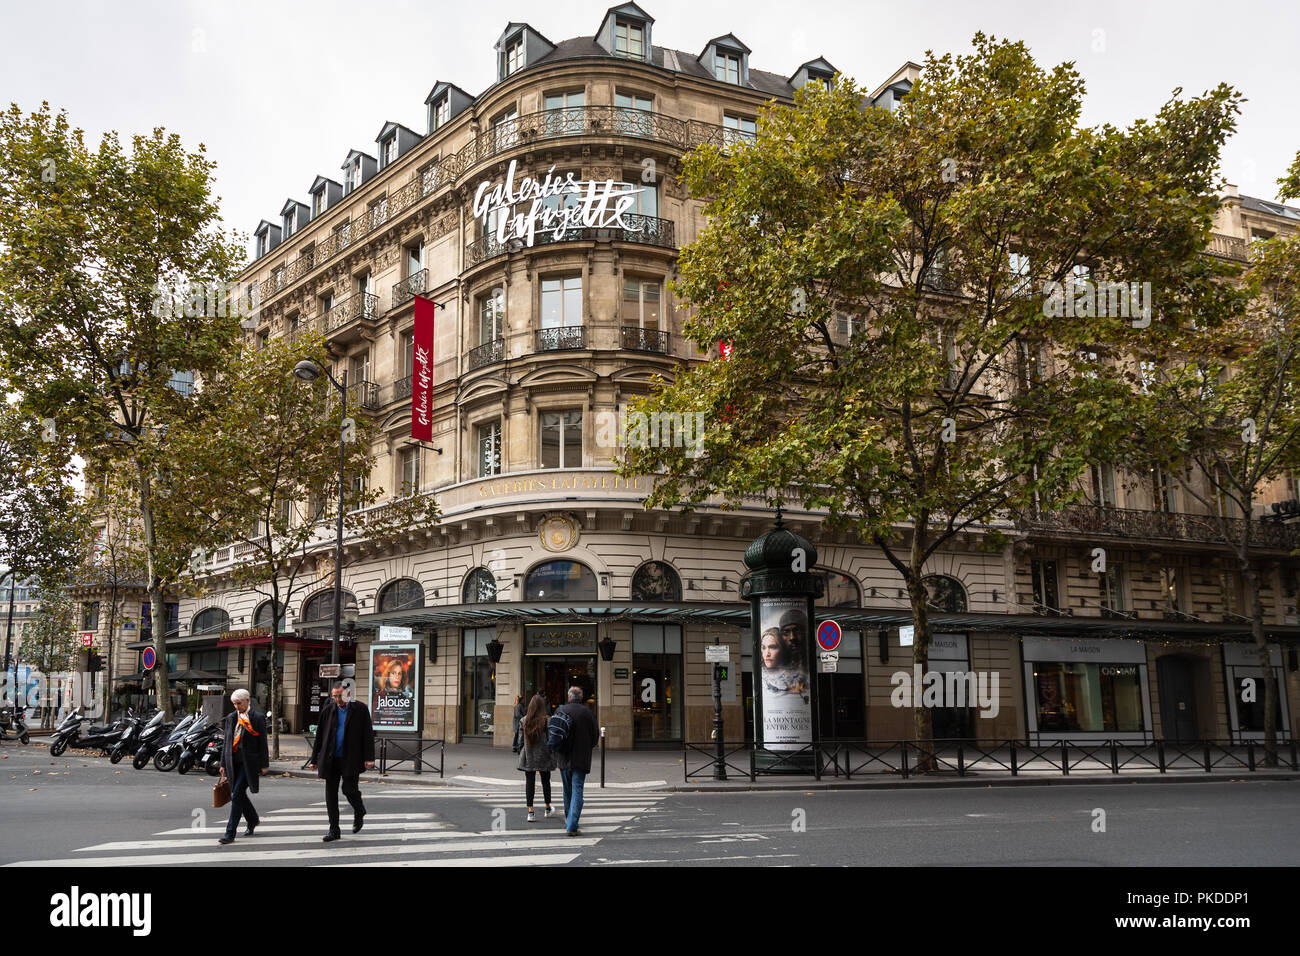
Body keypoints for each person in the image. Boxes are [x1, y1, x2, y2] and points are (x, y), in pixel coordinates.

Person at [308, 680, 375, 843]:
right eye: (334, 696)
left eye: (340, 696)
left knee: (349, 789)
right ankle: (334, 830)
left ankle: (359, 811)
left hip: (351, 758)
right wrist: (314, 758)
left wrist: (369, 757)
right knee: (330, 795)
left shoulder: (360, 709)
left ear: (348, 694)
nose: (337, 700)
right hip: (331, 758)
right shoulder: (328, 709)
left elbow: (367, 734)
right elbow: (320, 736)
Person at [217, 688, 269, 846]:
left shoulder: (257, 718)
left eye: (238, 703)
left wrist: (265, 764)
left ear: (247, 700)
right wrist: (222, 764)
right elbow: (226, 742)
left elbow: (263, 743)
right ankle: (252, 820)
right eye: (234, 704)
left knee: (237, 794)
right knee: (238, 794)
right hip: (233, 762)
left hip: (250, 763)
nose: (236, 706)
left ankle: (230, 833)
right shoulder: (232, 717)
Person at [552, 685, 599, 837]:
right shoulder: (588, 713)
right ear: (581, 697)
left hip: (564, 757)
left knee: (567, 790)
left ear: (569, 697)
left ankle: (569, 820)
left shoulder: (562, 710)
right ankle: (572, 824)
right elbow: (594, 737)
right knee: (577, 789)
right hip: (580, 758)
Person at [516, 693, 555, 822]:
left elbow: (520, 741)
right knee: (546, 782)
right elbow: (550, 739)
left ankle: (530, 812)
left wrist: (521, 752)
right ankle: (548, 808)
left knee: (530, 783)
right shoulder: (547, 720)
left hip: (529, 756)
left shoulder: (524, 720)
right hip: (544, 755)